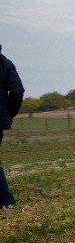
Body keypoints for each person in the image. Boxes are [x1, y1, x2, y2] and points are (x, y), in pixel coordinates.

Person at [0, 45, 25, 210]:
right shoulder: (5, 64)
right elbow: (17, 91)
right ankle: (6, 201)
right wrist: (9, 112)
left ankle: (5, 201)